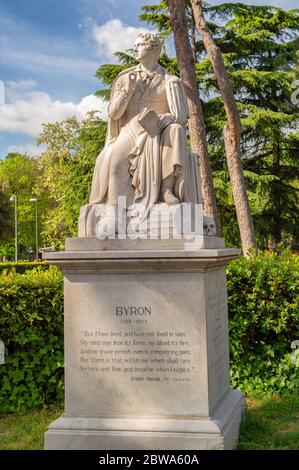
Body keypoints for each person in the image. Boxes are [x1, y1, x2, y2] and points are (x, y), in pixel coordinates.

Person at [86, 33, 200, 237]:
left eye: (140, 45)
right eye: (135, 46)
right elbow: (113, 114)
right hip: (130, 129)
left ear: (154, 49)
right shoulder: (125, 77)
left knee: (176, 130)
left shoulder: (170, 81)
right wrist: (126, 92)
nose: (135, 49)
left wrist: (166, 118)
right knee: (115, 160)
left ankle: (166, 189)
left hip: (158, 131)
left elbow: (180, 115)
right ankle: (114, 212)